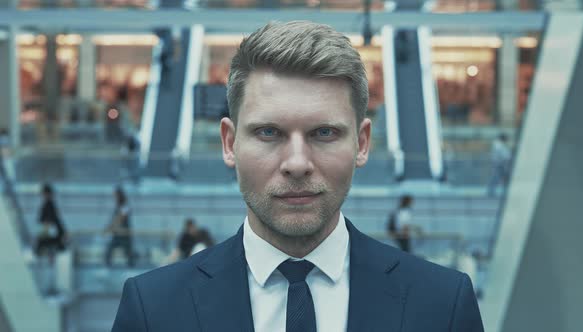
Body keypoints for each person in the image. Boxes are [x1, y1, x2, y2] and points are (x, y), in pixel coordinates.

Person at [113, 21, 483, 331]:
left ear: (362, 143)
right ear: (229, 143)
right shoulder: (153, 311)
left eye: (323, 133)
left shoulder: (442, 306)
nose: (297, 163)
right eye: (269, 133)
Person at [104, 187, 135, 267]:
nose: (114, 198)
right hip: (117, 233)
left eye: (115, 196)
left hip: (124, 234)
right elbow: (116, 219)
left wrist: (110, 228)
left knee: (128, 253)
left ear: (120, 196)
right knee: (109, 250)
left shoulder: (126, 206)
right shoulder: (118, 207)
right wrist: (109, 227)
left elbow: (120, 218)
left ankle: (131, 267)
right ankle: (107, 267)